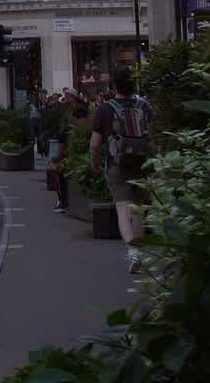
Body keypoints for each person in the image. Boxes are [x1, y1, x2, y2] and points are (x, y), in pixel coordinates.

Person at [89, 67, 153, 273]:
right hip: (143, 162)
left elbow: (95, 144)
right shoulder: (144, 107)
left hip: (118, 164)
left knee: (123, 207)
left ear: (113, 85)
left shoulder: (105, 109)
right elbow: (155, 134)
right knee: (138, 209)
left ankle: (132, 251)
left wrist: (95, 162)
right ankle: (139, 251)